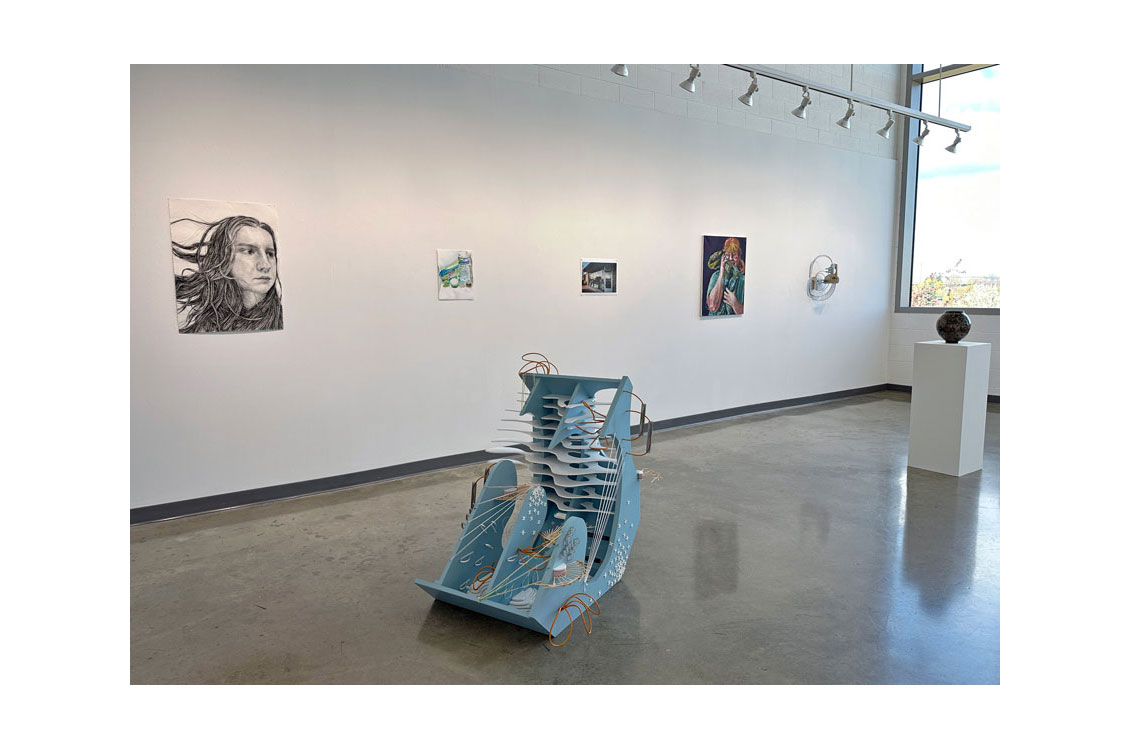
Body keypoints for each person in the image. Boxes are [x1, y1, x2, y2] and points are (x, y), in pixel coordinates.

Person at [172, 215, 283, 333]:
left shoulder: (282, 320)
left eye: (270, 254)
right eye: (250, 251)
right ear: (223, 258)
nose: (266, 265)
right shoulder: (204, 327)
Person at [705, 237, 745, 315]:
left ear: (739, 256)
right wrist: (721, 272)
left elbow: (744, 312)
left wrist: (734, 302)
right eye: (727, 255)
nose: (730, 258)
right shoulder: (716, 276)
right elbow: (712, 307)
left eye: (734, 255)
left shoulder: (742, 280)